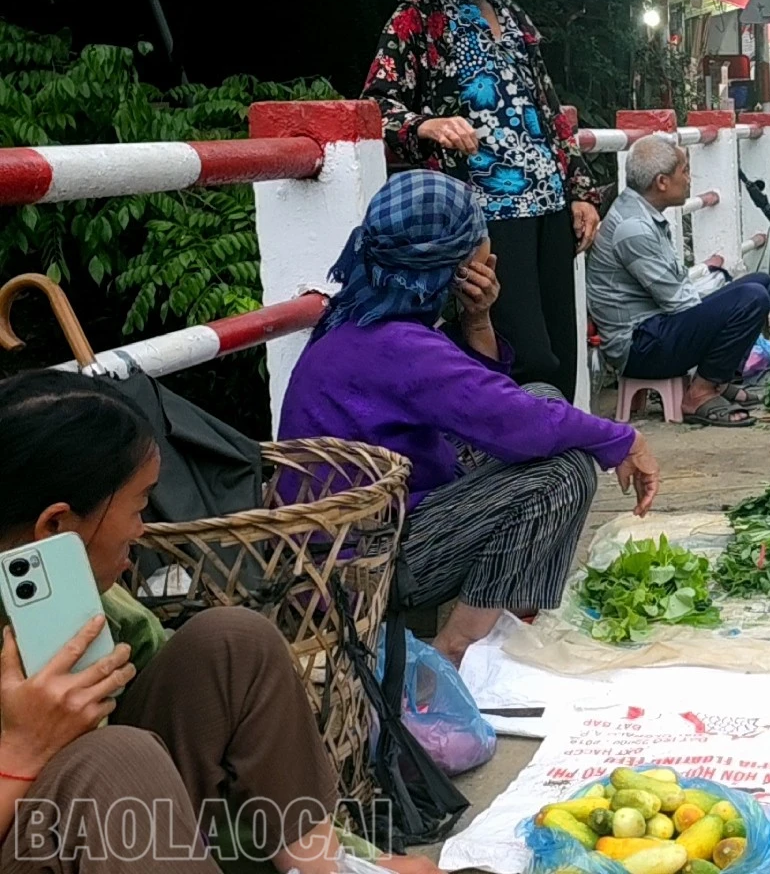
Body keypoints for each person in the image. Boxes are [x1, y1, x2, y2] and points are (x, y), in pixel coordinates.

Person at [0, 370, 443, 874]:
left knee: (232, 644)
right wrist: (21, 750)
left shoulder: (105, 610)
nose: (142, 532)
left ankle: (327, 870)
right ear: (56, 526)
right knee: (116, 757)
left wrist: (359, 859)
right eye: (139, 507)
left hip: (113, 838)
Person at [279, 171, 659, 666]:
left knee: (544, 395)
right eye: (478, 234)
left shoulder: (364, 313)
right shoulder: (399, 345)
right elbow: (515, 424)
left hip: (372, 522)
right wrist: (624, 440)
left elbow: (483, 401)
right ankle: (454, 652)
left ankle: (514, 607)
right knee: (562, 471)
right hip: (360, 564)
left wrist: (478, 320)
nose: (488, 244)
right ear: (454, 261)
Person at [363, 0, 604, 397]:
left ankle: (561, 468)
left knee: (562, 353)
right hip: (481, 213)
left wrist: (581, 193)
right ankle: (517, 471)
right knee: (521, 353)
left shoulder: (515, 16)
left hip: (547, 205)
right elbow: (375, 109)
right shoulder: (415, 19)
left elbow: (547, 112)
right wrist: (425, 124)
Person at [585, 135, 770, 428]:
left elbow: (678, 292)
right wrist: (719, 311)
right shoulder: (633, 227)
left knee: (762, 283)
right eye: (684, 171)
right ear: (662, 182)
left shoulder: (642, 213)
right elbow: (678, 302)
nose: (689, 179)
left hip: (656, 328)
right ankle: (700, 393)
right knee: (751, 298)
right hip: (641, 345)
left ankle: (717, 380)